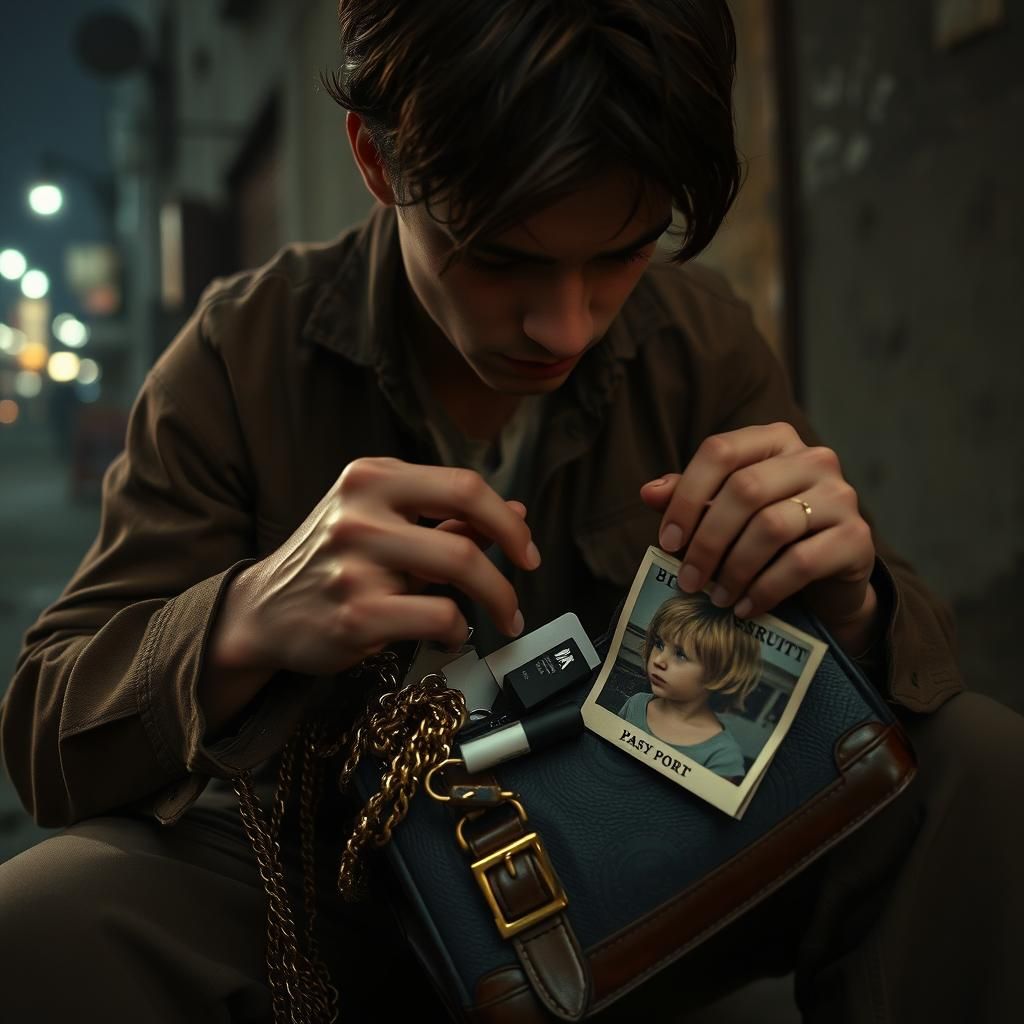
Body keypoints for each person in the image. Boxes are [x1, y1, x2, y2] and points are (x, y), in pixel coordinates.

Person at [0, 1, 1021, 1022]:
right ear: (376, 157)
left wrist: (853, 604)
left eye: (622, 252)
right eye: (500, 258)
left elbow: (915, 674)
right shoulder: (238, 356)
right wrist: (242, 620)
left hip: (650, 858)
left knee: (975, 764)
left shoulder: (697, 339)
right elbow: (48, 729)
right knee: (48, 914)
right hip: (339, 903)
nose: (563, 323)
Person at [618, 593, 760, 779]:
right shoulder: (636, 704)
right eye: (659, 644)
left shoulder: (722, 755)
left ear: (719, 674)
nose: (659, 660)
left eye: (681, 655)